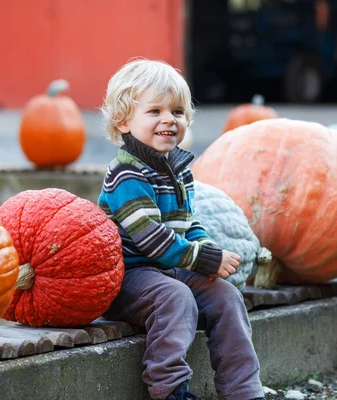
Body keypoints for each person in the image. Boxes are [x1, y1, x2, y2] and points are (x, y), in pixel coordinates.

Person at [98, 58, 265, 400]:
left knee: (227, 296)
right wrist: (203, 258)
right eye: (155, 111)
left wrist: (206, 246)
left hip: (170, 268)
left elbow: (189, 223)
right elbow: (152, 240)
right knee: (176, 297)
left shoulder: (177, 169)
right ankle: (169, 386)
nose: (168, 120)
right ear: (123, 121)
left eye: (176, 111)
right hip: (129, 275)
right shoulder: (127, 175)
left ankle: (243, 390)